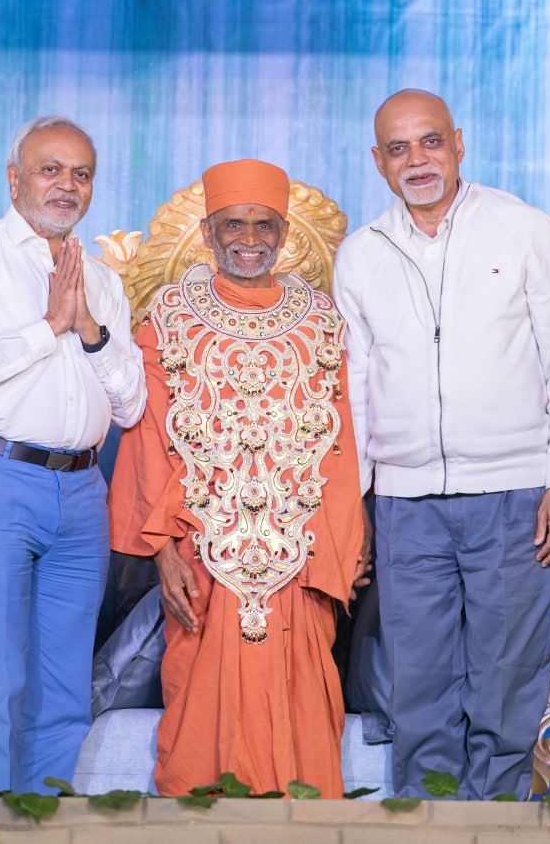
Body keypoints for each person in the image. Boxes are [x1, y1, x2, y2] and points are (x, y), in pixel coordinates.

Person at [334, 89, 550, 800]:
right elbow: (356, 388)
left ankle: (494, 828)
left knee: (504, 687)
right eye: (399, 148)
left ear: (459, 143)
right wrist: (358, 505)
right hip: (404, 504)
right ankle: (425, 826)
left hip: (513, 495)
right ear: (378, 161)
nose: (417, 160)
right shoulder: (361, 254)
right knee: (417, 689)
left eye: (431, 141)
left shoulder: (522, 228)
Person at [108, 159, 366, 798]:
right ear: (207, 232)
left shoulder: (322, 321)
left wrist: (343, 544)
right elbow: (150, 440)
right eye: (233, 224)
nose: (249, 239)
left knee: (303, 706)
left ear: (284, 234)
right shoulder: (169, 319)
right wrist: (164, 553)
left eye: (263, 225)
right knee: (201, 714)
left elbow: (342, 442)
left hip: (300, 555)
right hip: (202, 555)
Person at [0, 116, 146, 793]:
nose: (67, 185)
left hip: (81, 490)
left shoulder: (101, 281)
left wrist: (89, 327)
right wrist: (49, 326)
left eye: (81, 174)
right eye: (50, 169)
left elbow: (130, 405)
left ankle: (49, 826)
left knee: (65, 690)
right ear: (15, 179)